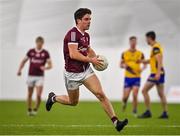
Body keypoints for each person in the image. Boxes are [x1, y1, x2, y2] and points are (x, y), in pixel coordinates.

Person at [46, 8, 128, 132]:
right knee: (73, 102)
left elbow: (88, 50)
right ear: (78, 20)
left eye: (90, 19)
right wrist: (92, 60)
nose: (89, 21)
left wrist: (96, 59)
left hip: (86, 71)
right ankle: (53, 98)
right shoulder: (73, 34)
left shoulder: (86, 35)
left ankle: (116, 122)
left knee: (100, 94)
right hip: (72, 74)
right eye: (86, 19)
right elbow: (73, 54)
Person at [17, 36, 52, 116]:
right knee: (30, 94)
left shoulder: (45, 53)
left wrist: (45, 67)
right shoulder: (31, 52)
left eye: (41, 43)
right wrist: (19, 70)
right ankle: (29, 109)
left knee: (39, 95)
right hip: (31, 76)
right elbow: (23, 61)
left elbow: (50, 65)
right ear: (36, 43)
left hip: (40, 77)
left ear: (42, 43)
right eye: (38, 43)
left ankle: (35, 109)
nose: (39, 45)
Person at [138, 31, 168, 119]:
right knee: (161, 94)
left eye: (146, 38)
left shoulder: (155, 48)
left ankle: (148, 112)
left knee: (144, 91)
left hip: (156, 73)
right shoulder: (156, 47)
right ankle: (165, 113)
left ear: (149, 38)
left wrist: (158, 73)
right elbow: (152, 60)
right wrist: (142, 61)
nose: (146, 40)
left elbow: (159, 59)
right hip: (160, 73)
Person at [120, 36, 146, 116]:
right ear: (130, 42)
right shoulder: (124, 53)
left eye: (135, 41)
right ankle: (124, 103)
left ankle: (134, 110)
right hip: (128, 78)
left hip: (137, 77)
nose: (133, 43)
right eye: (132, 41)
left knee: (135, 94)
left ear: (136, 42)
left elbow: (145, 64)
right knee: (126, 96)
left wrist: (142, 69)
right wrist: (124, 66)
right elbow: (121, 64)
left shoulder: (140, 54)